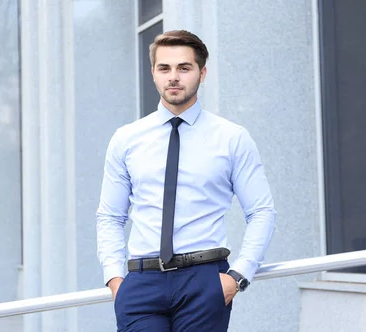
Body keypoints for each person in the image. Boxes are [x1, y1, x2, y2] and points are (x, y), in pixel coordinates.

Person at [96, 30, 276, 331]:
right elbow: (110, 216)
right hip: (141, 283)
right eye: (164, 68)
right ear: (153, 73)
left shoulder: (231, 138)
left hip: (205, 281)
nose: (173, 77)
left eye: (184, 68)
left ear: (201, 73)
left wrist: (238, 277)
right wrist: (116, 280)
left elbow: (261, 212)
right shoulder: (126, 139)